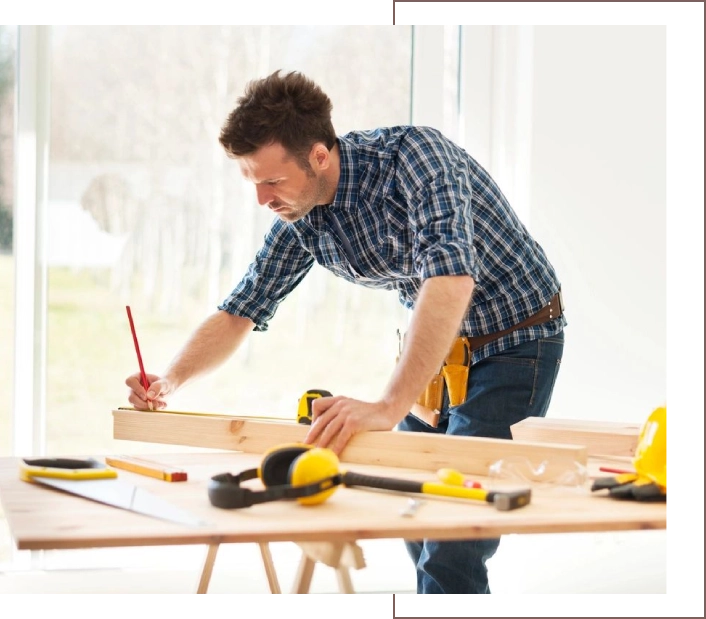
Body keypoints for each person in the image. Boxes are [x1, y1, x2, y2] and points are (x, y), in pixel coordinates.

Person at [125, 69, 567, 595]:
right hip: (441, 356)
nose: (262, 199)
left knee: (452, 535)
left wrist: (387, 406)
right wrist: (169, 382)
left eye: (272, 181)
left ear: (318, 155)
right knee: (417, 517)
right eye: (253, 183)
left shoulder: (415, 157)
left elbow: (450, 276)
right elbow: (241, 309)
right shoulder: (303, 213)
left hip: (516, 339)